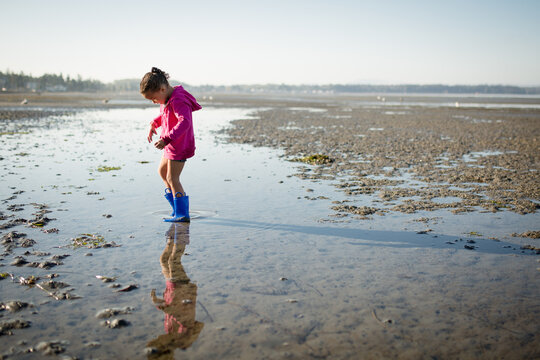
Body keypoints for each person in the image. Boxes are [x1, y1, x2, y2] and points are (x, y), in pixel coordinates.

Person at [140, 67, 202, 222]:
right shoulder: (167, 98)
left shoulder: (179, 99)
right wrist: (154, 123)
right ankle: (176, 210)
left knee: (173, 178)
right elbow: (164, 115)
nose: (154, 102)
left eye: (153, 99)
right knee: (162, 173)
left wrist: (166, 138)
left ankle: (182, 214)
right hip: (171, 144)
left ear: (162, 89)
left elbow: (185, 122)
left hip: (180, 144)